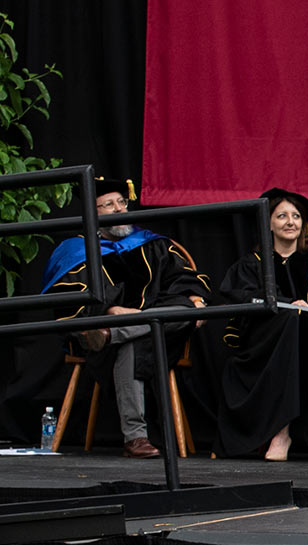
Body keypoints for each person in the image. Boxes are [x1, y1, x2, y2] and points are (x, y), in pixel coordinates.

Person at [41, 176, 211, 458]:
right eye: (109, 204)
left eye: (122, 202)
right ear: (93, 213)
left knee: (183, 310)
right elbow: (67, 298)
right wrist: (107, 311)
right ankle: (136, 438)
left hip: (149, 334)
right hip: (108, 336)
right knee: (134, 341)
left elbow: (183, 277)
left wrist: (195, 297)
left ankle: (114, 332)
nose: (120, 209)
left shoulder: (151, 244)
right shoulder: (76, 250)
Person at [217, 189, 308, 461]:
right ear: (269, 223)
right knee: (291, 317)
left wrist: (304, 309)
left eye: (296, 216)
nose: (290, 221)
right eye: (281, 215)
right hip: (261, 343)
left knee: (299, 321)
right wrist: (287, 303)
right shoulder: (253, 263)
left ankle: (282, 434)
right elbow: (240, 296)